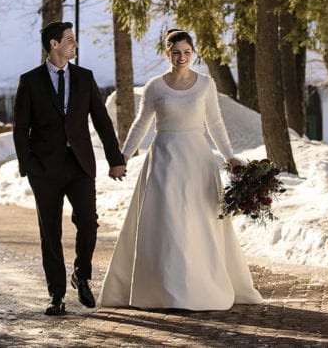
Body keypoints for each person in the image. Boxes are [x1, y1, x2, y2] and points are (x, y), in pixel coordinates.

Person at [100, 29, 264, 310]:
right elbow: (141, 124)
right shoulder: (155, 86)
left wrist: (230, 157)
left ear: (193, 53)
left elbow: (215, 124)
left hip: (197, 160)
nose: (182, 57)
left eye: (187, 52)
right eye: (176, 52)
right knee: (167, 221)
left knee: (197, 222)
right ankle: (165, 289)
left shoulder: (205, 85)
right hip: (163, 159)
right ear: (168, 53)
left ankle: (198, 285)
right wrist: (123, 156)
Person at [12, 21, 127, 316]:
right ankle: (56, 295)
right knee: (50, 232)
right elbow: (20, 127)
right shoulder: (31, 81)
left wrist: (115, 159)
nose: (75, 44)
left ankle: (82, 275)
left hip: (79, 164)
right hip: (45, 169)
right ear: (54, 44)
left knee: (88, 221)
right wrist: (29, 166)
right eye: (69, 40)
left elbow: (102, 121)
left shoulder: (85, 78)